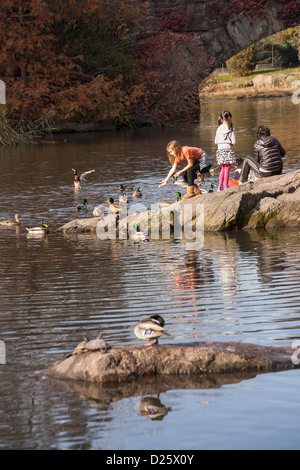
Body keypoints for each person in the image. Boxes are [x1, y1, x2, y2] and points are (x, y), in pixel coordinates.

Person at [214, 110, 236, 191]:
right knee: (227, 168)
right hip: (228, 149)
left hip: (220, 150)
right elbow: (234, 141)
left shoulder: (218, 128)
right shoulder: (231, 128)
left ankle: (220, 187)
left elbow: (215, 141)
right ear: (229, 118)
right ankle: (226, 186)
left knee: (222, 168)